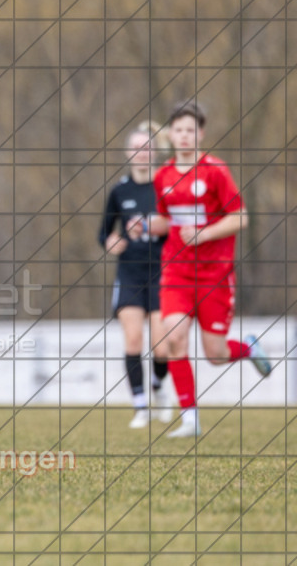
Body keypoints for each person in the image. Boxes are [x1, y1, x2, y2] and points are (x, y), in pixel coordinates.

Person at [129, 100, 271, 438]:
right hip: (176, 273)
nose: (184, 136)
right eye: (178, 130)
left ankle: (248, 348)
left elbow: (241, 217)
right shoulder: (162, 176)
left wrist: (205, 233)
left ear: (200, 134)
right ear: (171, 135)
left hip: (214, 275)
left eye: (190, 130)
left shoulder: (215, 171)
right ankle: (190, 419)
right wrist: (146, 225)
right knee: (173, 339)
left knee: (216, 355)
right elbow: (168, 220)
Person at [100, 122, 173, 429]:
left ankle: (158, 388)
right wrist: (112, 243)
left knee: (162, 346)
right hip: (129, 272)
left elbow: (177, 226)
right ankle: (140, 406)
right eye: (136, 149)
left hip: (162, 271)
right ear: (128, 153)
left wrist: (155, 226)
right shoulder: (120, 191)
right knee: (132, 339)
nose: (142, 154)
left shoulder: (166, 186)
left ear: (155, 152)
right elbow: (104, 233)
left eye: (147, 148)